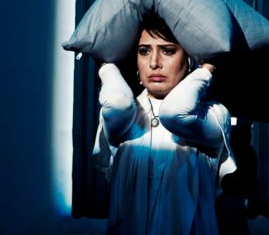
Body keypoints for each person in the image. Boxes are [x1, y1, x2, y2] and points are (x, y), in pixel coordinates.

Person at [92, 12, 236, 235]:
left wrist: (207, 68)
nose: (154, 63)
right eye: (144, 51)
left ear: (189, 60)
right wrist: (106, 67)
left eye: (167, 51)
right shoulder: (124, 115)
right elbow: (119, 102)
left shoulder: (214, 115)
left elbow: (174, 113)